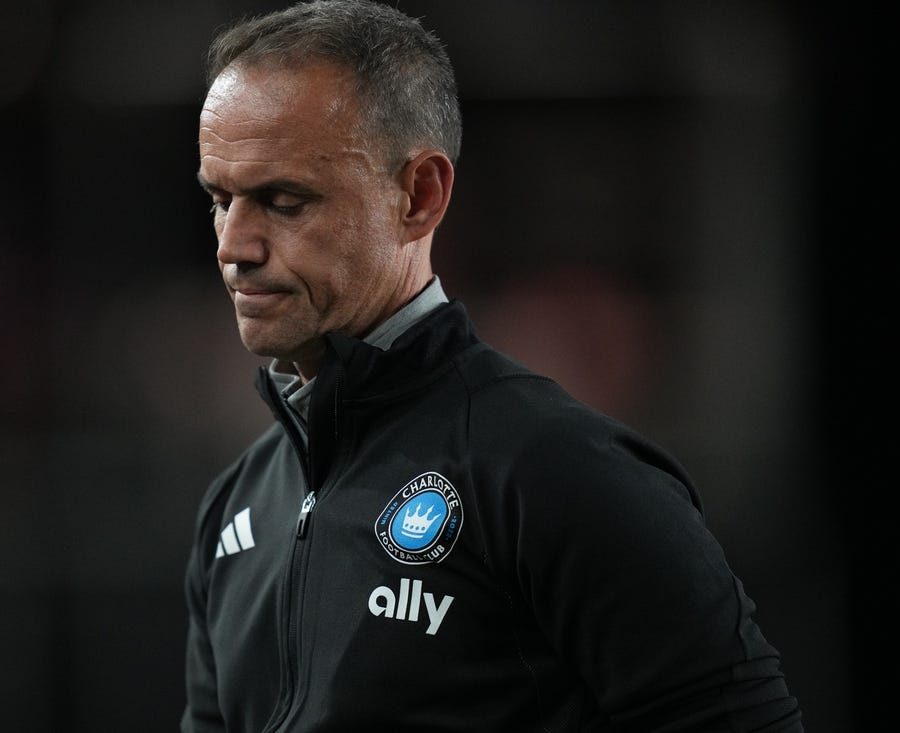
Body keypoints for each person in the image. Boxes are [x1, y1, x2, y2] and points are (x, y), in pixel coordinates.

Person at [182, 1, 803, 731]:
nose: (234, 245)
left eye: (283, 201)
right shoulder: (236, 507)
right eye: (221, 200)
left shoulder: (554, 471)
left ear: (419, 196)